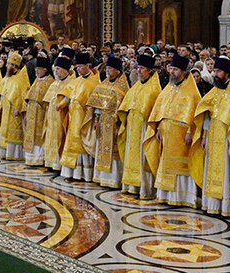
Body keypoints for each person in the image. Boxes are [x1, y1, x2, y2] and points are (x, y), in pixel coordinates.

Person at [189, 58, 230, 216]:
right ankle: (211, 204)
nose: (215, 74)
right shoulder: (214, 91)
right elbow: (206, 115)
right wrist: (203, 135)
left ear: (227, 73)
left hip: (228, 138)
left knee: (225, 171)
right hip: (212, 135)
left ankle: (226, 207)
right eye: (214, 71)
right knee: (211, 170)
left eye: (218, 72)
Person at [144, 54, 202, 208]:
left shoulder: (191, 91)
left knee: (180, 167)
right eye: (171, 69)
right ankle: (165, 195)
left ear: (183, 71)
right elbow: (160, 108)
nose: (172, 72)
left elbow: (195, 114)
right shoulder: (168, 88)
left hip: (182, 136)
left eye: (175, 69)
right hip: (166, 133)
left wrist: (191, 131)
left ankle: (183, 197)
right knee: (166, 165)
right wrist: (157, 127)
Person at [118, 53, 162, 199]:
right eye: (138, 68)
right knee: (132, 155)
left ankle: (144, 188)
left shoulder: (154, 89)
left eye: (142, 68)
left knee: (143, 157)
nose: (139, 71)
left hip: (144, 128)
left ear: (149, 70)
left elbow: (156, 111)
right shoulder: (136, 85)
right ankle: (131, 186)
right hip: (132, 126)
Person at [87, 55, 129, 189]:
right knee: (102, 149)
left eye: (110, 68)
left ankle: (114, 179)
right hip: (103, 121)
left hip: (114, 123)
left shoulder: (122, 86)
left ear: (117, 70)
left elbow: (123, 108)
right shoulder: (104, 84)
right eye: (107, 68)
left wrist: (119, 125)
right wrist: (96, 120)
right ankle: (101, 177)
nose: (108, 71)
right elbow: (98, 104)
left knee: (113, 151)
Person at [59, 52, 97, 181]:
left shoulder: (94, 81)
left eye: (81, 67)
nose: (79, 69)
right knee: (72, 144)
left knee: (82, 145)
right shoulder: (77, 80)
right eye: (77, 67)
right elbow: (69, 96)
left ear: (87, 65)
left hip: (84, 119)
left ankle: (84, 175)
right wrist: (62, 104)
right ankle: (72, 173)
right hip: (73, 117)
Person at [0, 51, 30, 159]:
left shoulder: (21, 78)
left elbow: (24, 94)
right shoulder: (7, 77)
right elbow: (3, 93)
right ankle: (4, 152)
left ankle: (13, 154)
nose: (6, 66)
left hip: (14, 110)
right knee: (4, 130)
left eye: (8, 64)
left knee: (13, 134)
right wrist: (0, 104)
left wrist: (19, 108)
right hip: (5, 108)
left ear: (14, 65)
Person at [21, 54, 54, 166]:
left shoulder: (50, 82)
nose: (37, 71)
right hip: (32, 111)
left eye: (39, 69)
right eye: (36, 69)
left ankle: (39, 159)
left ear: (45, 69)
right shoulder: (37, 80)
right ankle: (30, 159)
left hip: (41, 113)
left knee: (38, 136)